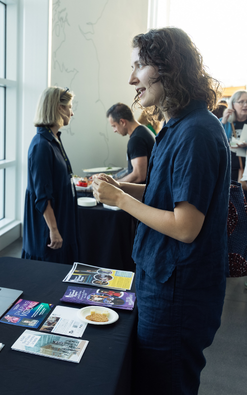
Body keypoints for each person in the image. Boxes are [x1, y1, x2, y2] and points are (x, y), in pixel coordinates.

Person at [92, 28, 229, 395]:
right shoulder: (180, 125)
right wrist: (122, 187)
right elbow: (164, 194)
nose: (132, 78)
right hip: (164, 283)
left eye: (139, 66)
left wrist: (121, 201)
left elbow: (185, 226)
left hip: (178, 293)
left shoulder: (197, 132)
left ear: (168, 67)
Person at [21, 86, 80, 264]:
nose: (72, 113)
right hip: (45, 231)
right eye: (70, 107)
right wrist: (53, 230)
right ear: (59, 108)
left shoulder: (53, 140)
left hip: (61, 219)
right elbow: (42, 196)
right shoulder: (41, 145)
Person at [106, 103, 155, 183]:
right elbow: (132, 171)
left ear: (122, 122)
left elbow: (139, 176)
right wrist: (113, 178)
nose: (114, 131)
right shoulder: (143, 131)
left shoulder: (136, 139)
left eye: (114, 126)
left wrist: (115, 185)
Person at [220, 90, 247, 181]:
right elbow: (217, 141)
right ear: (233, 104)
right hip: (229, 167)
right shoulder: (225, 121)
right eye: (241, 102)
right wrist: (223, 121)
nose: (245, 105)